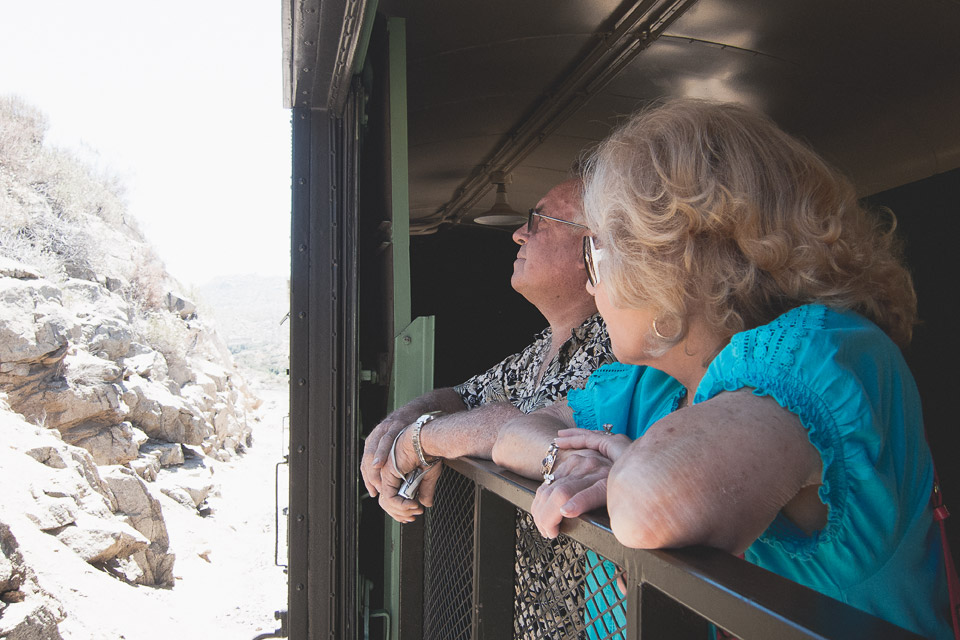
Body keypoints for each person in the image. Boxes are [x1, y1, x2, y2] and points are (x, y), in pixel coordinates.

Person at [494, 99, 951, 639]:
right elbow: (506, 436)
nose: (591, 285)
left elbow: (647, 504)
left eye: (596, 254)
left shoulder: (824, 352)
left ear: (670, 258)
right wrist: (558, 457)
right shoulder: (657, 382)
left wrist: (622, 468)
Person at [361, 178, 616, 523]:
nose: (520, 233)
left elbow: (522, 429)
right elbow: (462, 398)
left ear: (593, 247)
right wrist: (398, 424)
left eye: (540, 220)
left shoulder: (618, 343)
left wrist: (419, 440)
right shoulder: (544, 345)